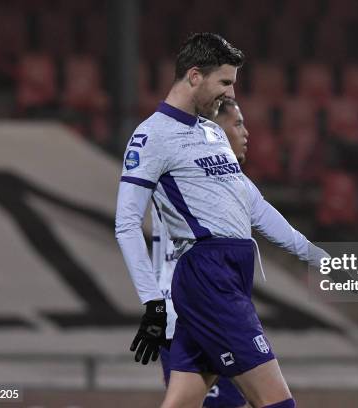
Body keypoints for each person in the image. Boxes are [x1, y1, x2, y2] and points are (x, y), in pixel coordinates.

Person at [115, 33, 324, 408]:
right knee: (278, 402)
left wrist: (318, 258)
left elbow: (256, 209)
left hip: (230, 274)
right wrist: (152, 304)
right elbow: (127, 224)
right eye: (224, 82)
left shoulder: (211, 132)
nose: (229, 94)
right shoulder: (151, 136)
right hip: (209, 277)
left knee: (185, 403)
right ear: (194, 76)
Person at [151, 98, 327, 408]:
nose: (246, 133)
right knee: (274, 401)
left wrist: (324, 260)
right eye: (238, 123)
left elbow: (280, 230)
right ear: (214, 131)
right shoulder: (184, 177)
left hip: (195, 307)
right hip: (205, 303)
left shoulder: (234, 184)